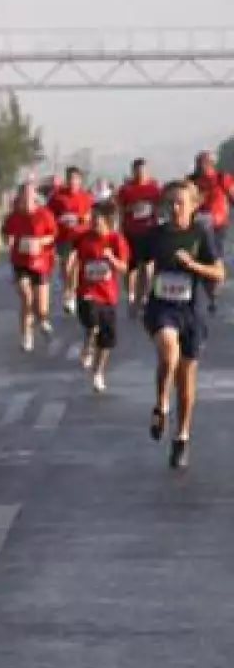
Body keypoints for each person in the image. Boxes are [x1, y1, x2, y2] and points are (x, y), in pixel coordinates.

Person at [142, 180, 225, 469]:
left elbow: (218, 273)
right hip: (162, 306)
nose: (175, 208)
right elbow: (142, 264)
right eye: (171, 203)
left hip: (191, 310)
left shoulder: (201, 234)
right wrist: (139, 295)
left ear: (193, 206)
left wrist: (193, 265)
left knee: (187, 378)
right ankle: (162, 404)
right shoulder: (156, 235)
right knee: (168, 348)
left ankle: (182, 436)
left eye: (181, 203)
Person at [70, 202, 129, 393]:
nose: (93, 221)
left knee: (107, 341)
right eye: (92, 217)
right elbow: (73, 257)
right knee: (92, 320)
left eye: (97, 218)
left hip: (108, 296)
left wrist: (111, 258)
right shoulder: (83, 238)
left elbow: (124, 268)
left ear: (108, 221)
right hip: (86, 292)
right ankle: (87, 346)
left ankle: (98, 372)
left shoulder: (116, 240)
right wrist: (69, 284)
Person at [1, 182, 59, 351]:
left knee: (41, 308)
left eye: (30, 196)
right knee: (26, 298)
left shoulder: (44, 215)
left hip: (40, 264)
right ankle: (26, 335)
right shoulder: (13, 217)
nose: (26, 200)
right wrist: (8, 240)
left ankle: (42, 321)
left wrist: (40, 242)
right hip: (20, 264)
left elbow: (53, 235)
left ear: (35, 197)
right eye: (23, 196)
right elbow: (6, 234)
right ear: (19, 198)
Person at [188, 151, 234, 313]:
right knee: (200, 260)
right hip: (196, 227)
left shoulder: (222, 178)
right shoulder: (191, 181)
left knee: (214, 258)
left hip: (217, 226)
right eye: (199, 162)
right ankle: (206, 293)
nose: (201, 165)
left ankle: (213, 294)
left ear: (211, 163)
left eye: (205, 162)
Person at [46, 167, 94, 315]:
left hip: (80, 236)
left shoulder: (86, 197)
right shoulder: (57, 197)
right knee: (66, 266)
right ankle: (68, 290)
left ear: (80, 181)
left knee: (75, 265)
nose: (72, 182)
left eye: (75, 179)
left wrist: (84, 219)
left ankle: (71, 295)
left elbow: (90, 215)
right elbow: (48, 215)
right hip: (63, 236)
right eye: (70, 179)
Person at [114, 158, 161, 308]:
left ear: (147, 171)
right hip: (130, 231)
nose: (141, 173)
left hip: (149, 231)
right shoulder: (126, 189)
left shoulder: (154, 188)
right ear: (133, 171)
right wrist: (132, 208)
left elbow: (160, 206)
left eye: (143, 170)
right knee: (131, 266)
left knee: (148, 265)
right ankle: (131, 294)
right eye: (137, 170)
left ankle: (145, 295)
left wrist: (155, 214)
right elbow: (119, 209)